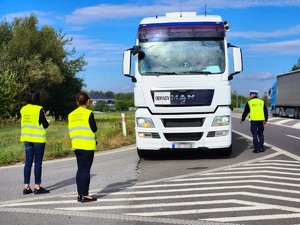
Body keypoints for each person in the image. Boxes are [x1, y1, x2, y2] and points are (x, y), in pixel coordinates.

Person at [68, 92, 97, 203]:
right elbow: (94, 129)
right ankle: (85, 195)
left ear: (77, 101)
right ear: (88, 101)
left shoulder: (71, 115)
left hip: (76, 145)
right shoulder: (89, 113)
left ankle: (80, 194)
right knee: (85, 170)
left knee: (80, 169)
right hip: (87, 146)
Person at [20, 90, 50, 195]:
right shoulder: (39, 109)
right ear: (37, 98)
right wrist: (47, 121)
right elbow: (45, 125)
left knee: (28, 162)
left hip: (27, 139)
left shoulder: (23, 109)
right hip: (38, 139)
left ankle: (26, 187)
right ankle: (37, 187)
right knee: (38, 163)